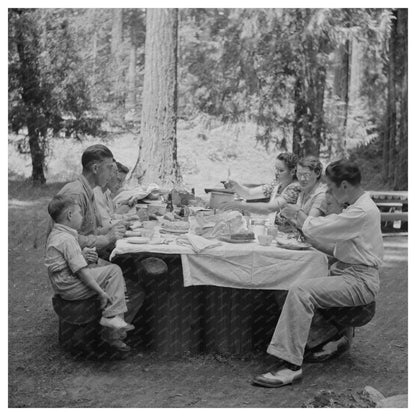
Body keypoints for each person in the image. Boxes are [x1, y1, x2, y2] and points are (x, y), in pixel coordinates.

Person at [252, 159, 383, 388]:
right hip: (347, 272)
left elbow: (324, 226)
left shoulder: (362, 210)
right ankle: (329, 339)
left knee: (302, 292)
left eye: (331, 188)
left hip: (360, 281)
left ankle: (290, 366)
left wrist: (298, 215)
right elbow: (343, 248)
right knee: (289, 284)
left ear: (344, 185)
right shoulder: (357, 205)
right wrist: (308, 240)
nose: (329, 193)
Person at [45, 195, 134, 351]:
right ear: (70, 215)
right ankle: (111, 319)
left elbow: (68, 261)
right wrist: (100, 292)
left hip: (63, 283)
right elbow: (82, 272)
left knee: (108, 273)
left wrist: (83, 256)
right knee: (114, 271)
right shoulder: (67, 239)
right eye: (80, 213)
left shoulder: (57, 234)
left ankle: (112, 328)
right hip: (70, 286)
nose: (82, 216)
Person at [51, 144, 126, 258]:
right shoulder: (76, 194)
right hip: (73, 264)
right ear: (95, 168)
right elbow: (67, 238)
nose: (111, 175)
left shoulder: (88, 191)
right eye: (109, 168)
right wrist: (107, 238)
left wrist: (112, 229)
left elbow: (89, 232)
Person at [219, 152, 301, 224]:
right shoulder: (277, 184)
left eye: (281, 170)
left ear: (292, 172)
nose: (276, 173)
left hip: (288, 235)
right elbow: (249, 194)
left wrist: (238, 205)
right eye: (276, 169)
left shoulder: (293, 189)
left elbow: (269, 208)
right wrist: (235, 186)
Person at [94, 161, 136, 229]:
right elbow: (107, 224)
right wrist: (134, 218)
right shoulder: (96, 193)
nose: (120, 185)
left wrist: (124, 206)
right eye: (119, 180)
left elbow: (111, 215)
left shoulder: (107, 192)